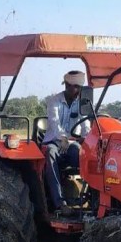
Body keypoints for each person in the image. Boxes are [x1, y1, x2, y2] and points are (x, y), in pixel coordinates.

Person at [43, 70, 91, 217]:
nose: (77, 91)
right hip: (54, 141)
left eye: (80, 87)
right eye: (75, 87)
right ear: (67, 86)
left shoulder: (81, 102)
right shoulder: (54, 101)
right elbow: (54, 122)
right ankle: (60, 203)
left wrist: (88, 139)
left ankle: (93, 199)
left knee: (84, 156)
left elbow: (86, 124)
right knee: (50, 153)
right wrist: (62, 138)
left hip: (71, 143)